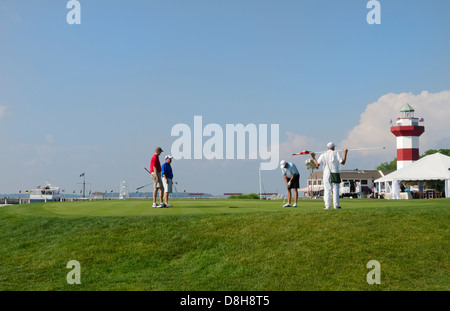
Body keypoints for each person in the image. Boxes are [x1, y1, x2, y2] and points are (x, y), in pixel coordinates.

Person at [311, 142, 348, 210]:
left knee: (327, 190)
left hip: (326, 174)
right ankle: (336, 205)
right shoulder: (336, 153)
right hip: (335, 173)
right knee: (336, 189)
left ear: (327, 148)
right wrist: (345, 153)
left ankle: (327, 206)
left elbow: (317, 164)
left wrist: (313, 157)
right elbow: (343, 162)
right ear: (333, 147)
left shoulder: (323, 154)